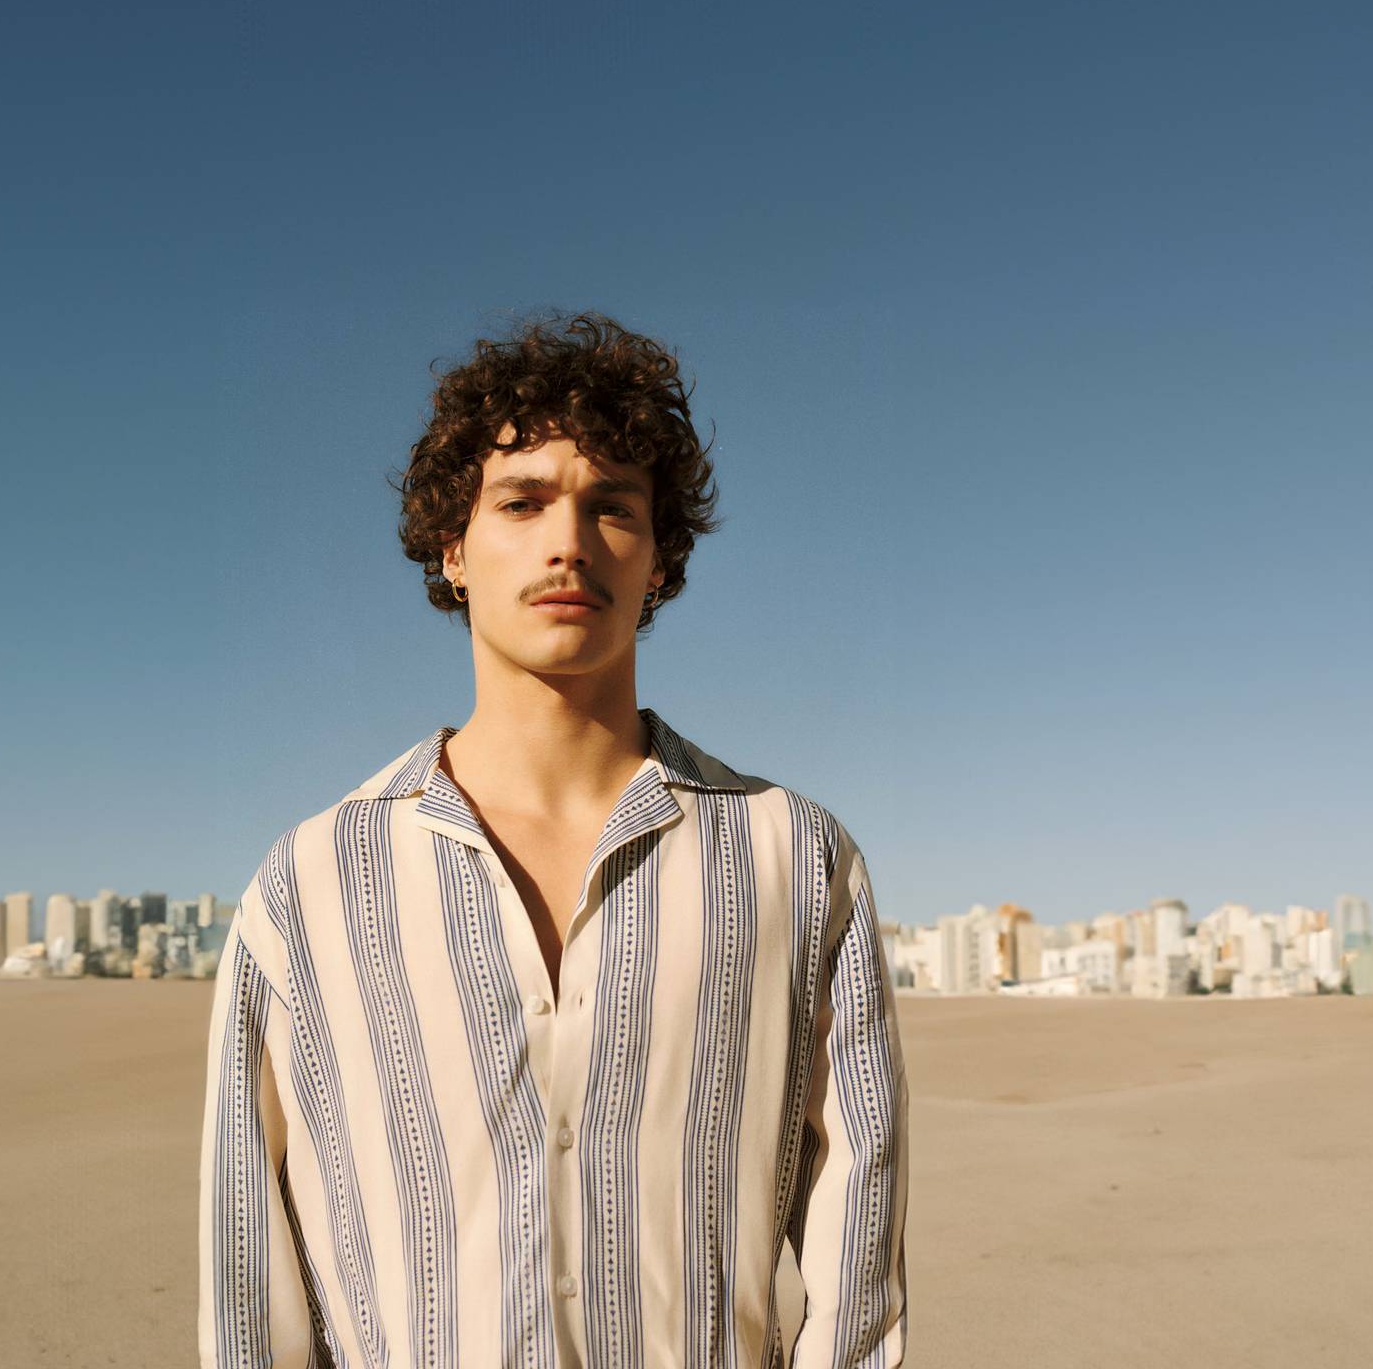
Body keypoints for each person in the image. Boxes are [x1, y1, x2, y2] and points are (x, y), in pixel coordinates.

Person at [199, 311, 908, 1368]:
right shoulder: (313, 881)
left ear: (660, 558)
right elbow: (247, 1265)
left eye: (612, 507)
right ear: (454, 549)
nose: (567, 543)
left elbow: (862, 1261)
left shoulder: (792, 858)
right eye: (521, 503)